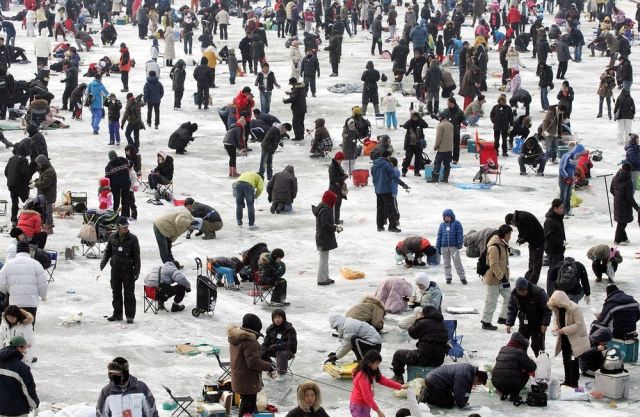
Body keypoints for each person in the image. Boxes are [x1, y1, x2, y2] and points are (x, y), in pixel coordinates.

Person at [228, 314, 275, 417]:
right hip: (248, 382)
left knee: (249, 405)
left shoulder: (236, 338)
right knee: (247, 409)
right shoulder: (250, 342)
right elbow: (253, 362)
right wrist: (269, 366)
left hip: (240, 379)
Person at [391, 305, 448, 383]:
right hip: (439, 359)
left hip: (423, 357)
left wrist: (418, 320)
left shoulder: (423, 322)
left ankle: (398, 377)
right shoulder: (443, 325)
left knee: (398, 354)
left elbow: (412, 333)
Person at [100, 217, 140, 323]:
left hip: (128, 270)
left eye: (127, 226)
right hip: (115, 270)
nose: (126, 228)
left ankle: (130, 316)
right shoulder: (112, 237)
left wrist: (136, 271)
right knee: (116, 292)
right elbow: (108, 251)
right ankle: (117, 314)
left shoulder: (133, 239)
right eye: (123, 227)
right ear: (118, 227)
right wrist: (103, 263)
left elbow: (137, 257)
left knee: (129, 294)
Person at [547, 290, 590, 388]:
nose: (556, 307)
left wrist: (564, 330)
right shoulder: (557, 308)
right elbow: (556, 320)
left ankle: (574, 383)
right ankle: (567, 381)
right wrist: (556, 328)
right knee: (566, 359)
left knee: (574, 361)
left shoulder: (575, 309)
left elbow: (578, 325)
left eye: (557, 305)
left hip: (576, 340)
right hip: (564, 338)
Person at [0, 241, 47, 325]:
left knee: (15, 327)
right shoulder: (36, 264)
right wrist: (43, 296)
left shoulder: (8, 264)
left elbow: (1, 283)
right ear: (28, 251)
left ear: (17, 251)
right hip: (31, 302)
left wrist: (8, 291)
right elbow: (43, 283)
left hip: (14, 303)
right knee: (29, 327)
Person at [350, 350, 405, 417]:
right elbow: (367, 397)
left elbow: (383, 380)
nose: (378, 365)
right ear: (369, 363)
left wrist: (400, 386)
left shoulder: (371, 370)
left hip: (365, 405)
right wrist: (378, 411)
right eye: (376, 363)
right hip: (358, 406)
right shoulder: (363, 377)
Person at [506, 277, 551, 357]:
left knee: (537, 347)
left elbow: (547, 310)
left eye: (523, 291)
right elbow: (512, 309)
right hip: (523, 324)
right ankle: (522, 366)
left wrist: (544, 324)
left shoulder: (539, 293)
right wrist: (509, 323)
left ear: (527, 288)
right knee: (520, 346)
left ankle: (542, 365)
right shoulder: (514, 294)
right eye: (519, 291)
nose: (521, 293)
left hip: (538, 325)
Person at [481, 224, 512, 331]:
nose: (510, 236)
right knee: (491, 301)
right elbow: (493, 264)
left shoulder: (503, 244)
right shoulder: (494, 247)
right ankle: (486, 322)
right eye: (509, 234)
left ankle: (503, 318)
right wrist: (501, 276)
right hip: (493, 279)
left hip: (502, 278)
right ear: (504, 235)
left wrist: (504, 277)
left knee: (510, 297)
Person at [491, 332, 537, 403]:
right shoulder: (520, 352)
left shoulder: (502, 349)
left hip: (496, 383)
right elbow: (532, 367)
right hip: (511, 383)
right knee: (525, 372)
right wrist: (530, 360)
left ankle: (504, 393)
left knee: (507, 371)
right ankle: (514, 395)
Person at [419, 363, 488, 409]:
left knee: (452, 399)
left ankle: (431, 392)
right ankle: (427, 396)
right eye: (477, 383)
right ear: (476, 378)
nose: (475, 385)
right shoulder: (464, 375)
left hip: (439, 381)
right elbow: (458, 391)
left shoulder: (470, 372)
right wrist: (461, 405)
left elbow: (467, 390)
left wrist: (464, 402)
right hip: (434, 381)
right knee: (449, 403)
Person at [0, 336, 39, 416]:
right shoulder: (22, 368)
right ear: (19, 348)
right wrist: (35, 405)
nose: (25, 351)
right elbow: (28, 390)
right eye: (24, 348)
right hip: (18, 410)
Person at [372, 151, 409, 233]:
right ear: (387, 157)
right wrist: (403, 184)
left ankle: (379, 226)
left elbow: (373, 178)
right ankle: (392, 226)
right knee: (390, 208)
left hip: (378, 190)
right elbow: (394, 177)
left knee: (380, 208)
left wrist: (376, 186)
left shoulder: (374, 165)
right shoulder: (387, 166)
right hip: (386, 189)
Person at [505, 210, 545, 284]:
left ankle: (532, 283)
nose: (513, 226)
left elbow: (530, 232)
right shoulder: (518, 218)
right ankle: (527, 280)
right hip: (533, 241)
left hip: (538, 241)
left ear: (511, 220)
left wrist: (523, 239)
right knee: (531, 261)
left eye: (511, 224)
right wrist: (520, 238)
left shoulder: (523, 218)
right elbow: (521, 231)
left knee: (536, 263)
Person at [314, 191, 339, 287]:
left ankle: (326, 277)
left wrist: (334, 227)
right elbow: (325, 225)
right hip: (323, 238)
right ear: (330, 201)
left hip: (323, 238)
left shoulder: (324, 208)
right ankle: (321, 279)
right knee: (323, 259)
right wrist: (335, 228)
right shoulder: (324, 210)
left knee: (325, 258)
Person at [261, 309, 297, 375]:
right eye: (275, 318)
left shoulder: (290, 329)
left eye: (279, 317)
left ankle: (281, 376)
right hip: (274, 350)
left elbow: (292, 345)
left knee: (281, 353)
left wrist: (278, 346)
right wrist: (263, 349)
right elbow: (266, 343)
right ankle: (272, 367)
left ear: (283, 318)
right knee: (260, 351)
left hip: (288, 351)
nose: (277, 320)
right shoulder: (271, 329)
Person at [436, 209, 466, 285]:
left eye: (448, 217)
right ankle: (448, 277)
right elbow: (439, 236)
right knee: (446, 263)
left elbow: (460, 233)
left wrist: (460, 243)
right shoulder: (442, 225)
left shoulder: (456, 223)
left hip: (454, 247)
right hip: (444, 247)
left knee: (457, 263)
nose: (447, 218)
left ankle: (462, 277)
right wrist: (438, 247)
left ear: (452, 216)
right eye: (445, 217)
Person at [610, 163, 638, 245]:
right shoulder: (628, 181)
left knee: (621, 221)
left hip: (617, 202)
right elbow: (629, 197)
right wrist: (637, 207)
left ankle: (624, 238)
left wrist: (618, 197)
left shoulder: (615, 177)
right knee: (622, 223)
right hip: (625, 205)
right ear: (629, 170)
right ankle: (617, 240)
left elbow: (611, 190)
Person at [4, 145, 30, 224]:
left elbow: (6, 171)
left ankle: (14, 220)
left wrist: (10, 179)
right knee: (27, 202)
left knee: (14, 202)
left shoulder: (11, 158)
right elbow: (24, 173)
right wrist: (27, 182)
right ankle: (28, 219)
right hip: (20, 184)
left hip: (11, 184)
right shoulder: (24, 160)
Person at [105, 150, 132, 218]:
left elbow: (108, 178)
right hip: (126, 183)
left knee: (116, 200)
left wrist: (108, 187)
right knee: (125, 200)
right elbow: (131, 163)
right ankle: (125, 216)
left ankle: (115, 215)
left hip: (116, 185)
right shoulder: (123, 160)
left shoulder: (108, 166)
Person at [401, 111, 428, 177]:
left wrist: (420, 119)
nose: (415, 118)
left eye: (416, 117)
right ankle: (404, 171)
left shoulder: (420, 123)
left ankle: (417, 172)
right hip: (410, 144)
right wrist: (410, 119)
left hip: (418, 145)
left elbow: (426, 125)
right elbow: (404, 126)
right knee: (408, 159)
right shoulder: (409, 123)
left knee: (418, 159)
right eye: (414, 117)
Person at [544, 198, 566, 273]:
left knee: (559, 270)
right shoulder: (550, 221)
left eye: (563, 207)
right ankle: (551, 285)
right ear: (555, 208)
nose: (562, 209)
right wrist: (560, 242)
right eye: (561, 208)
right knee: (553, 271)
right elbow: (548, 237)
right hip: (553, 251)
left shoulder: (558, 217)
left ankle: (557, 284)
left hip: (559, 249)